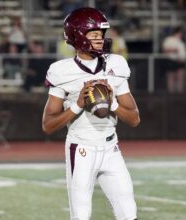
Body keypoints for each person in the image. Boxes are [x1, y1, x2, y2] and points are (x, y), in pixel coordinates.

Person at [42, 7, 140, 220]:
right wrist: (77, 105)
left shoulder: (116, 64)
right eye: (94, 35)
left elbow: (134, 119)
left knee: (128, 213)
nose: (100, 40)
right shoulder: (61, 71)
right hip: (81, 149)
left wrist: (112, 103)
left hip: (111, 148)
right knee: (81, 215)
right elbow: (48, 125)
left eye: (101, 35)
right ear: (78, 35)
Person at [161, 26, 186, 93]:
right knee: (171, 77)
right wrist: (174, 50)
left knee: (180, 77)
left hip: (180, 61)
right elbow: (164, 50)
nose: (181, 35)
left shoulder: (181, 42)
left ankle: (180, 93)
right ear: (177, 33)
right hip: (171, 61)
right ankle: (171, 93)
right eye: (180, 33)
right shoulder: (169, 40)